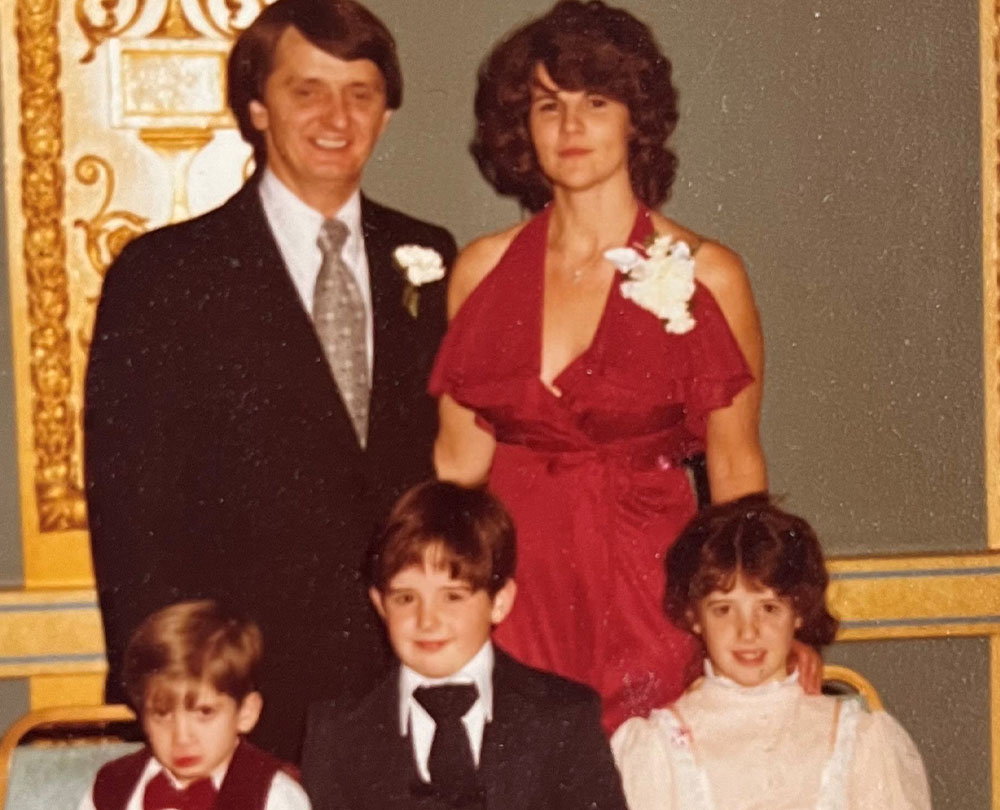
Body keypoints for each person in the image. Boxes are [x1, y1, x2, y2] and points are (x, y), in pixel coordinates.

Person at [84, 0, 456, 761]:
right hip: (241, 687)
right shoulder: (165, 275)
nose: (337, 116)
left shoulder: (430, 254)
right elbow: (132, 512)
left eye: (362, 93)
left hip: (408, 677)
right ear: (256, 107)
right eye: (306, 90)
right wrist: (179, 692)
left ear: (385, 114)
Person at [430, 0, 770, 731]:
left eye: (596, 102)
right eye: (548, 105)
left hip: (654, 586)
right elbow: (456, 474)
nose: (571, 126)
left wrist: (765, 627)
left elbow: (737, 477)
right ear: (522, 125)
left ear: (635, 119)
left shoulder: (710, 276)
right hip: (518, 591)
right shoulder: (481, 272)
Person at [301, 480, 628, 810]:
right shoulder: (337, 731)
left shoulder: (564, 718)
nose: (427, 620)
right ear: (380, 604)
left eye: (452, 597)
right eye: (405, 598)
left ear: (499, 602)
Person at [610, 495, 932, 810]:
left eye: (768, 608)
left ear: (799, 611)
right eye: (723, 610)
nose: (747, 631)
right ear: (694, 617)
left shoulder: (859, 740)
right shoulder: (659, 748)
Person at [78, 600, 310, 810]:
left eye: (204, 712)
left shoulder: (274, 797)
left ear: (246, 713)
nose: (182, 738)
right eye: (161, 714)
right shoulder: (112, 787)